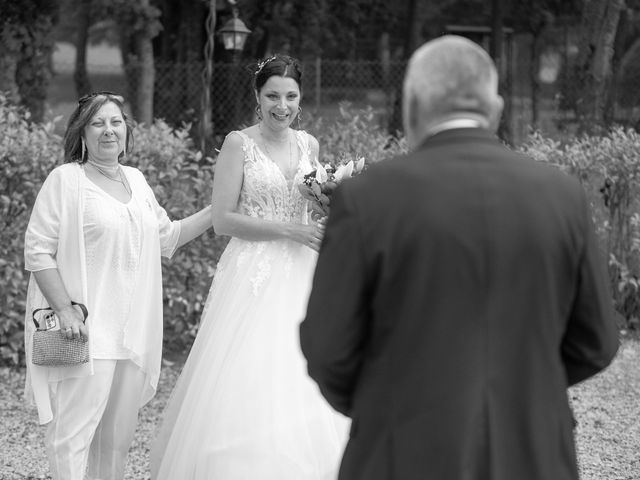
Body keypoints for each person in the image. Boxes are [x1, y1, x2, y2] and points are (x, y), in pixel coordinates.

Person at [300, 35, 619, 480]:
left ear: (412, 106)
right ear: (496, 109)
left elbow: (327, 347)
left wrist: (386, 404)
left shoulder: (367, 197)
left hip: (401, 452)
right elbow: (597, 342)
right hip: (533, 453)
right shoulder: (562, 194)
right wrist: (524, 390)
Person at [150, 55, 349, 480]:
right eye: (273, 96)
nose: (282, 105)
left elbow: (309, 210)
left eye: (291, 96)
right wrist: (289, 231)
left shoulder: (308, 144)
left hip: (303, 270)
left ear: (300, 99)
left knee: (303, 371)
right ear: (257, 98)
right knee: (250, 370)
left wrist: (326, 213)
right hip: (254, 272)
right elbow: (223, 220)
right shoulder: (239, 144)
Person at [23, 91, 213, 480]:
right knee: (72, 437)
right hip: (86, 333)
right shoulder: (66, 181)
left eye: (115, 122)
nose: (108, 130)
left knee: (116, 442)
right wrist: (64, 310)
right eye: (98, 123)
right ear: (82, 133)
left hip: (132, 335)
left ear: (126, 130)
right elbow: (38, 250)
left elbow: (168, 236)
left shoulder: (137, 181)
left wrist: (219, 210)